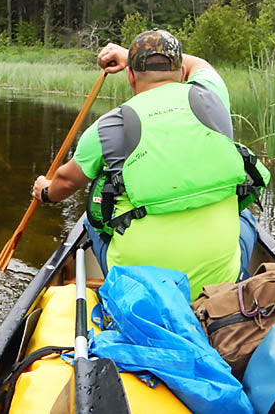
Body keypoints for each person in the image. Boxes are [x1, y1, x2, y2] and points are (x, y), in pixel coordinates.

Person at [31, 30, 259, 299]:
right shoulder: (213, 95)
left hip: (141, 290)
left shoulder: (107, 127)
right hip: (215, 286)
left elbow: (67, 182)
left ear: (130, 76)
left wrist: (45, 191)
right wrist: (129, 56)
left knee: (94, 215)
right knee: (244, 214)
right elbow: (201, 65)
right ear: (182, 71)